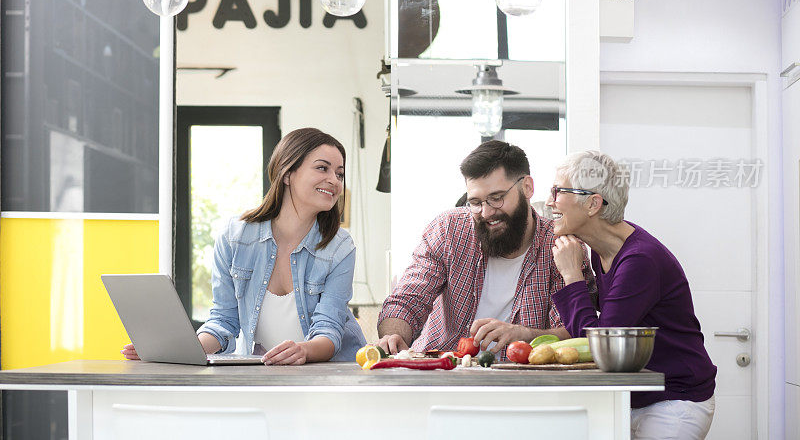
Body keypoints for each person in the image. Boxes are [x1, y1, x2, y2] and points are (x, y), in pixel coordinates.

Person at [123, 128, 366, 364]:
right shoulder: (235, 237)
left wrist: (303, 350)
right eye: (322, 168)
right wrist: (176, 350)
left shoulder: (339, 247)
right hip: (268, 370)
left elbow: (329, 330)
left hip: (335, 371)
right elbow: (223, 321)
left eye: (339, 173)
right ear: (287, 173)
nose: (334, 180)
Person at [547, 151, 716, 439]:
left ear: (592, 203)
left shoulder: (640, 260)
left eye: (558, 191)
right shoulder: (604, 251)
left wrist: (572, 276)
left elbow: (603, 348)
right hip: (636, 397)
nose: (550, 201)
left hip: (675, 400)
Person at [377, 140, 594, 356]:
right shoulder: (448, 230)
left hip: (522, 383)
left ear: (527, 187)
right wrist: (394, 336)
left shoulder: (560, 247)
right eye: (476, 202)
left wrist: (523, 334)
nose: (486, 212)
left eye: (496, 198)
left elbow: (573, 334)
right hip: (444, 374)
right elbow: (408, 298)